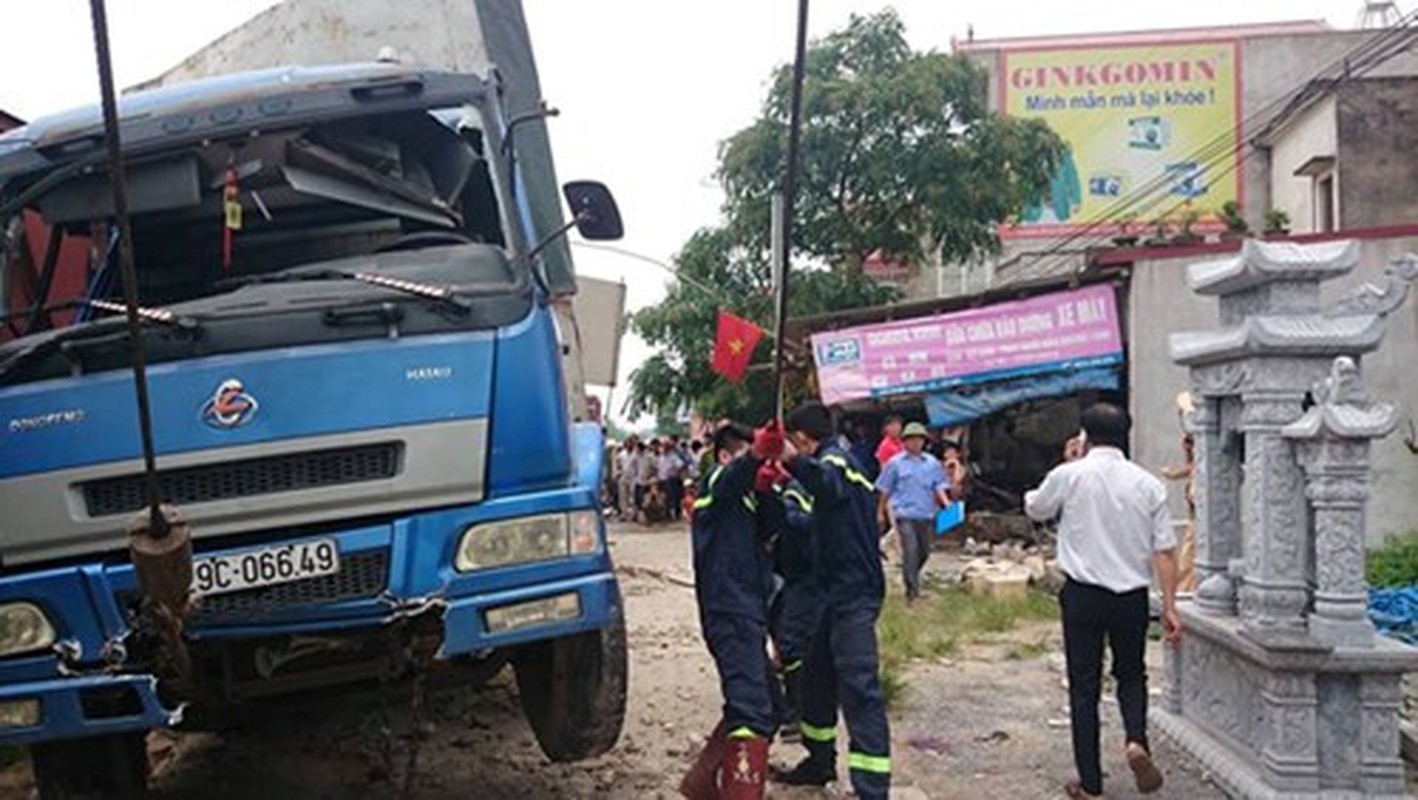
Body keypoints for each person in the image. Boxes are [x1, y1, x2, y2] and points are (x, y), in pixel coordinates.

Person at [1023, 403, 1182, 800]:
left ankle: (1091, 784)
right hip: (1130, 596)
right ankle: (1135, 739)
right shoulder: (1147, 485)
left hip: (1083, 596)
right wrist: (1170, 606)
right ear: (1125, 436)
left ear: (1084, 436)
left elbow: (1036, 507)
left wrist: (1068, 462)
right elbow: (1165, 551)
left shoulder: (1071, 475)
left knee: (1084, 687)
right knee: (1131, 674)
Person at [775, 402, 891, 800]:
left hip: (854, 592)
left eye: (794, 444)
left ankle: (871, 787)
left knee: (858, 686)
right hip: (832, 590)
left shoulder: (837, 462)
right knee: (815, 681)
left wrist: (791, 463)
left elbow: (826, 483)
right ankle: (819, 762)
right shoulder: (837, 462)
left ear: (803, 440)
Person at [679, 422, 783, 799]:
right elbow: (727, 482)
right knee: (751, 710)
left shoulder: (748, 497)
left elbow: (776, 528)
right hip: (728, 608)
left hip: (750, 609)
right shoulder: (714, 487)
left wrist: (768, 488)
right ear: (724, 456)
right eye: (742, 454)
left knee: (770, 704)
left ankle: (702, 783)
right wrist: (754, 457)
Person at [875, 422, 950, 603]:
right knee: (911, 550)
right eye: (911, 440)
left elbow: (938, 486)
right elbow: (885, 489)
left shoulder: (932, 463)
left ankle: (910, 576)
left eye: (919, 440)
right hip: (904, 514)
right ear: (905, 442)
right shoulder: (895, 464)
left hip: (925, 514)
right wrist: (880, 511)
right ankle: (912, 593)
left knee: (924, 552)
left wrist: (946, 503)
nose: (916, 443)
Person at [1159, 391, 1198, 593]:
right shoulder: (1192, 441)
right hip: (1195, 514)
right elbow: (1192, 466)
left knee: (1189, 564)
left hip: (1201, 515)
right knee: (1186, 563)